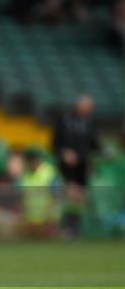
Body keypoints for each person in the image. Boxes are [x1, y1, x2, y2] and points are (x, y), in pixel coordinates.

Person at [52, 93, 99, 237]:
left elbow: (94, 144)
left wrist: (94, 159)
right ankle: (67, 228)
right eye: (85, 106)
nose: (87, 110)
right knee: (71, 195)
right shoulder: (64, 120)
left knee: (80, 198)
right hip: (67, 167)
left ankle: (76, 229)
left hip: (83, 166)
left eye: (89, 107)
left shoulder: (89, 122)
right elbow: (55, 142)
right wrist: (64, 152)